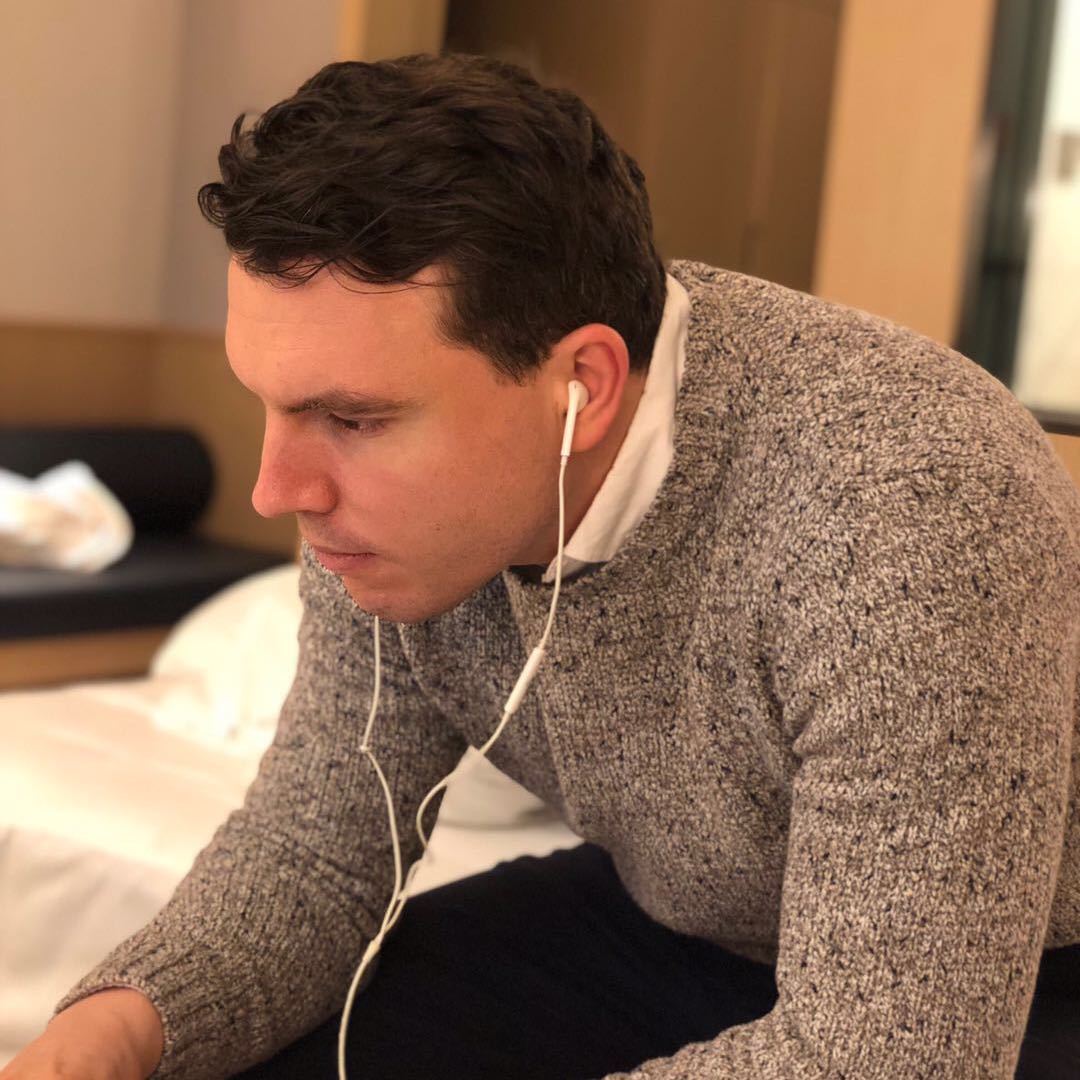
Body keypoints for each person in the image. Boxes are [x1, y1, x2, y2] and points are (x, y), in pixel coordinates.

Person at [6, 51, 1078, 1080]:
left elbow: (889, 1056)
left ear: (584, 387)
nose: (279, 490)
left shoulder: (909, 503)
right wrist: (109, 1034)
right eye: (273, 406)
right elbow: (318, 852)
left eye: (353, 419)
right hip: (687, 921)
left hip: (1012, 973)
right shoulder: (376, 521)